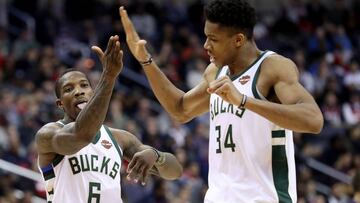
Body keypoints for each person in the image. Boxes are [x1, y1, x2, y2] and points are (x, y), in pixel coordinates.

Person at [119, 0, 324, 202]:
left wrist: (244, 101)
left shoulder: (272, 67)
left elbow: (313, 120)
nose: (205, 45)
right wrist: (145, 60)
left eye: (213, 39)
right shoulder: (215, 72)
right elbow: (180, 109)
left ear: (238, 40)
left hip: (262, 198)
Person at [35, 35, 182, 203]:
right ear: (60, 104)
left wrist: (156, 155)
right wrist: (109, 77)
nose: (78, 91)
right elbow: (82, 135)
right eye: (69, 89)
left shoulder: (119, 138)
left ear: (92, 92)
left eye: (84, 85)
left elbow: (175, 171)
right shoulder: (48, 134)